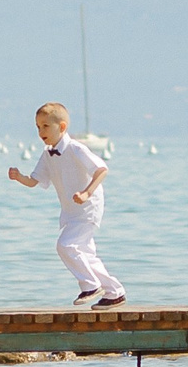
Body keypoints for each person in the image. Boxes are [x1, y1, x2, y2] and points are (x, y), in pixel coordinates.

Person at [7, 102, 125, 307]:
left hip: (88, 209)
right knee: (86, 255)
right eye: (37, 127)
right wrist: (19, 177)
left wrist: (87, 193)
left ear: (61, 127)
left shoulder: (76, 148)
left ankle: (90, 286)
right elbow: (35, 181)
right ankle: (115, 292)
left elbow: (102, 169)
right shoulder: (48, 154)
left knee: (65, 245)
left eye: (45, 126)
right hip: (71, 212)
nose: (40, 131)